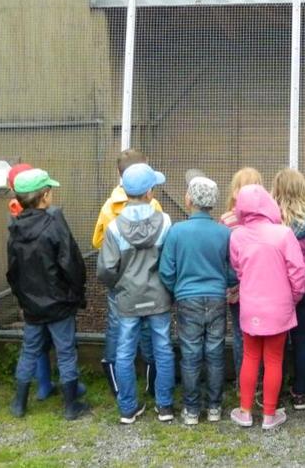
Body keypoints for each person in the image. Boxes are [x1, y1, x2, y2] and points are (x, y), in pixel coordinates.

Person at [6, 169, 90, 421]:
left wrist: (23, 299)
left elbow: (13, 271)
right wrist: (77, 292)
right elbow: (71, 263)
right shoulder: (55, 224)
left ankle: (19, 404)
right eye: (50, 191)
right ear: (44, 196)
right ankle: (71, 406)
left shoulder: (15, 229)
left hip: (32, 305)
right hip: (59, 303)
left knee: (29, 350)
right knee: (65, 352)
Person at [98, 163, 176, 424]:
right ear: (149, 192)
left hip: (128, 298)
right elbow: (170, 261)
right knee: (163, 348)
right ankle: (165, 406)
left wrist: (119, 286)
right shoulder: (165, 221)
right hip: (159, 297)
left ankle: (127, 408)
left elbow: (106, 269)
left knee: (124, 351)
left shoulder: (114, 227)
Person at [228, 184, 305, 431]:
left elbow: (239, 269)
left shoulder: (237, 235)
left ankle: (244, 411)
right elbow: (298, 272)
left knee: (250, 357)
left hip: (250, 305)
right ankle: (270, 416)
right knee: (274, 359)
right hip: (279, 306)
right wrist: (293, 298)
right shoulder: (283, 234)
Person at [159, 174, 237, 425]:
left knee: (190, 353)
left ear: (189, 199)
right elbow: (232, 272)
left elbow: (166, 270)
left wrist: (177, 290)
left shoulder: (177, 231)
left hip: (187, 299)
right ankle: (214, 407)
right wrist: (222, 285)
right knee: (214, 352)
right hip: (216, 298)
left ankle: (191, 410)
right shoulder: (223, 233)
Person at [92, 149, 161, 398]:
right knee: (149, 329)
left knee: (117, 328)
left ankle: (117, 383)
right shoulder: (154, 206)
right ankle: (153, 384)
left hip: (120, 282)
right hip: (150, 281)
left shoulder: (109, 208)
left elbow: (98, 241)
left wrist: (116, 277)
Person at [271, 168, 305, 410]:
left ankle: (276, 390)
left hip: (280, 287)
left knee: (278, 340)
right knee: (302, 338)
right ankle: (300, 391)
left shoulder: (273, 221)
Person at [219, 167, 264, 388]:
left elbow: (223, 257)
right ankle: (261, 383)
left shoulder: (226, 221)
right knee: (262, 334)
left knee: (240, 335)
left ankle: (243, 382)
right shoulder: (270, 221)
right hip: (261, 288)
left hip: (236, 289)